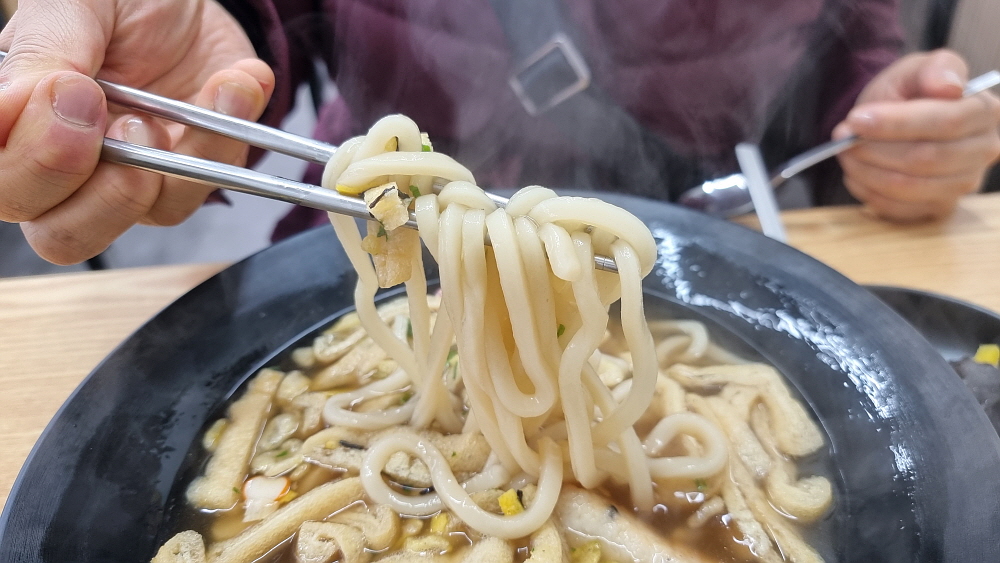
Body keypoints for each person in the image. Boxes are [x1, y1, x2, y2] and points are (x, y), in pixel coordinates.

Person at [0, 0, 998, 265]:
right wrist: (208, 56)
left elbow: (843, 38)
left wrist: (881, 107)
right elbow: (269, 19)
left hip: (707, 227)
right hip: (382, 230)